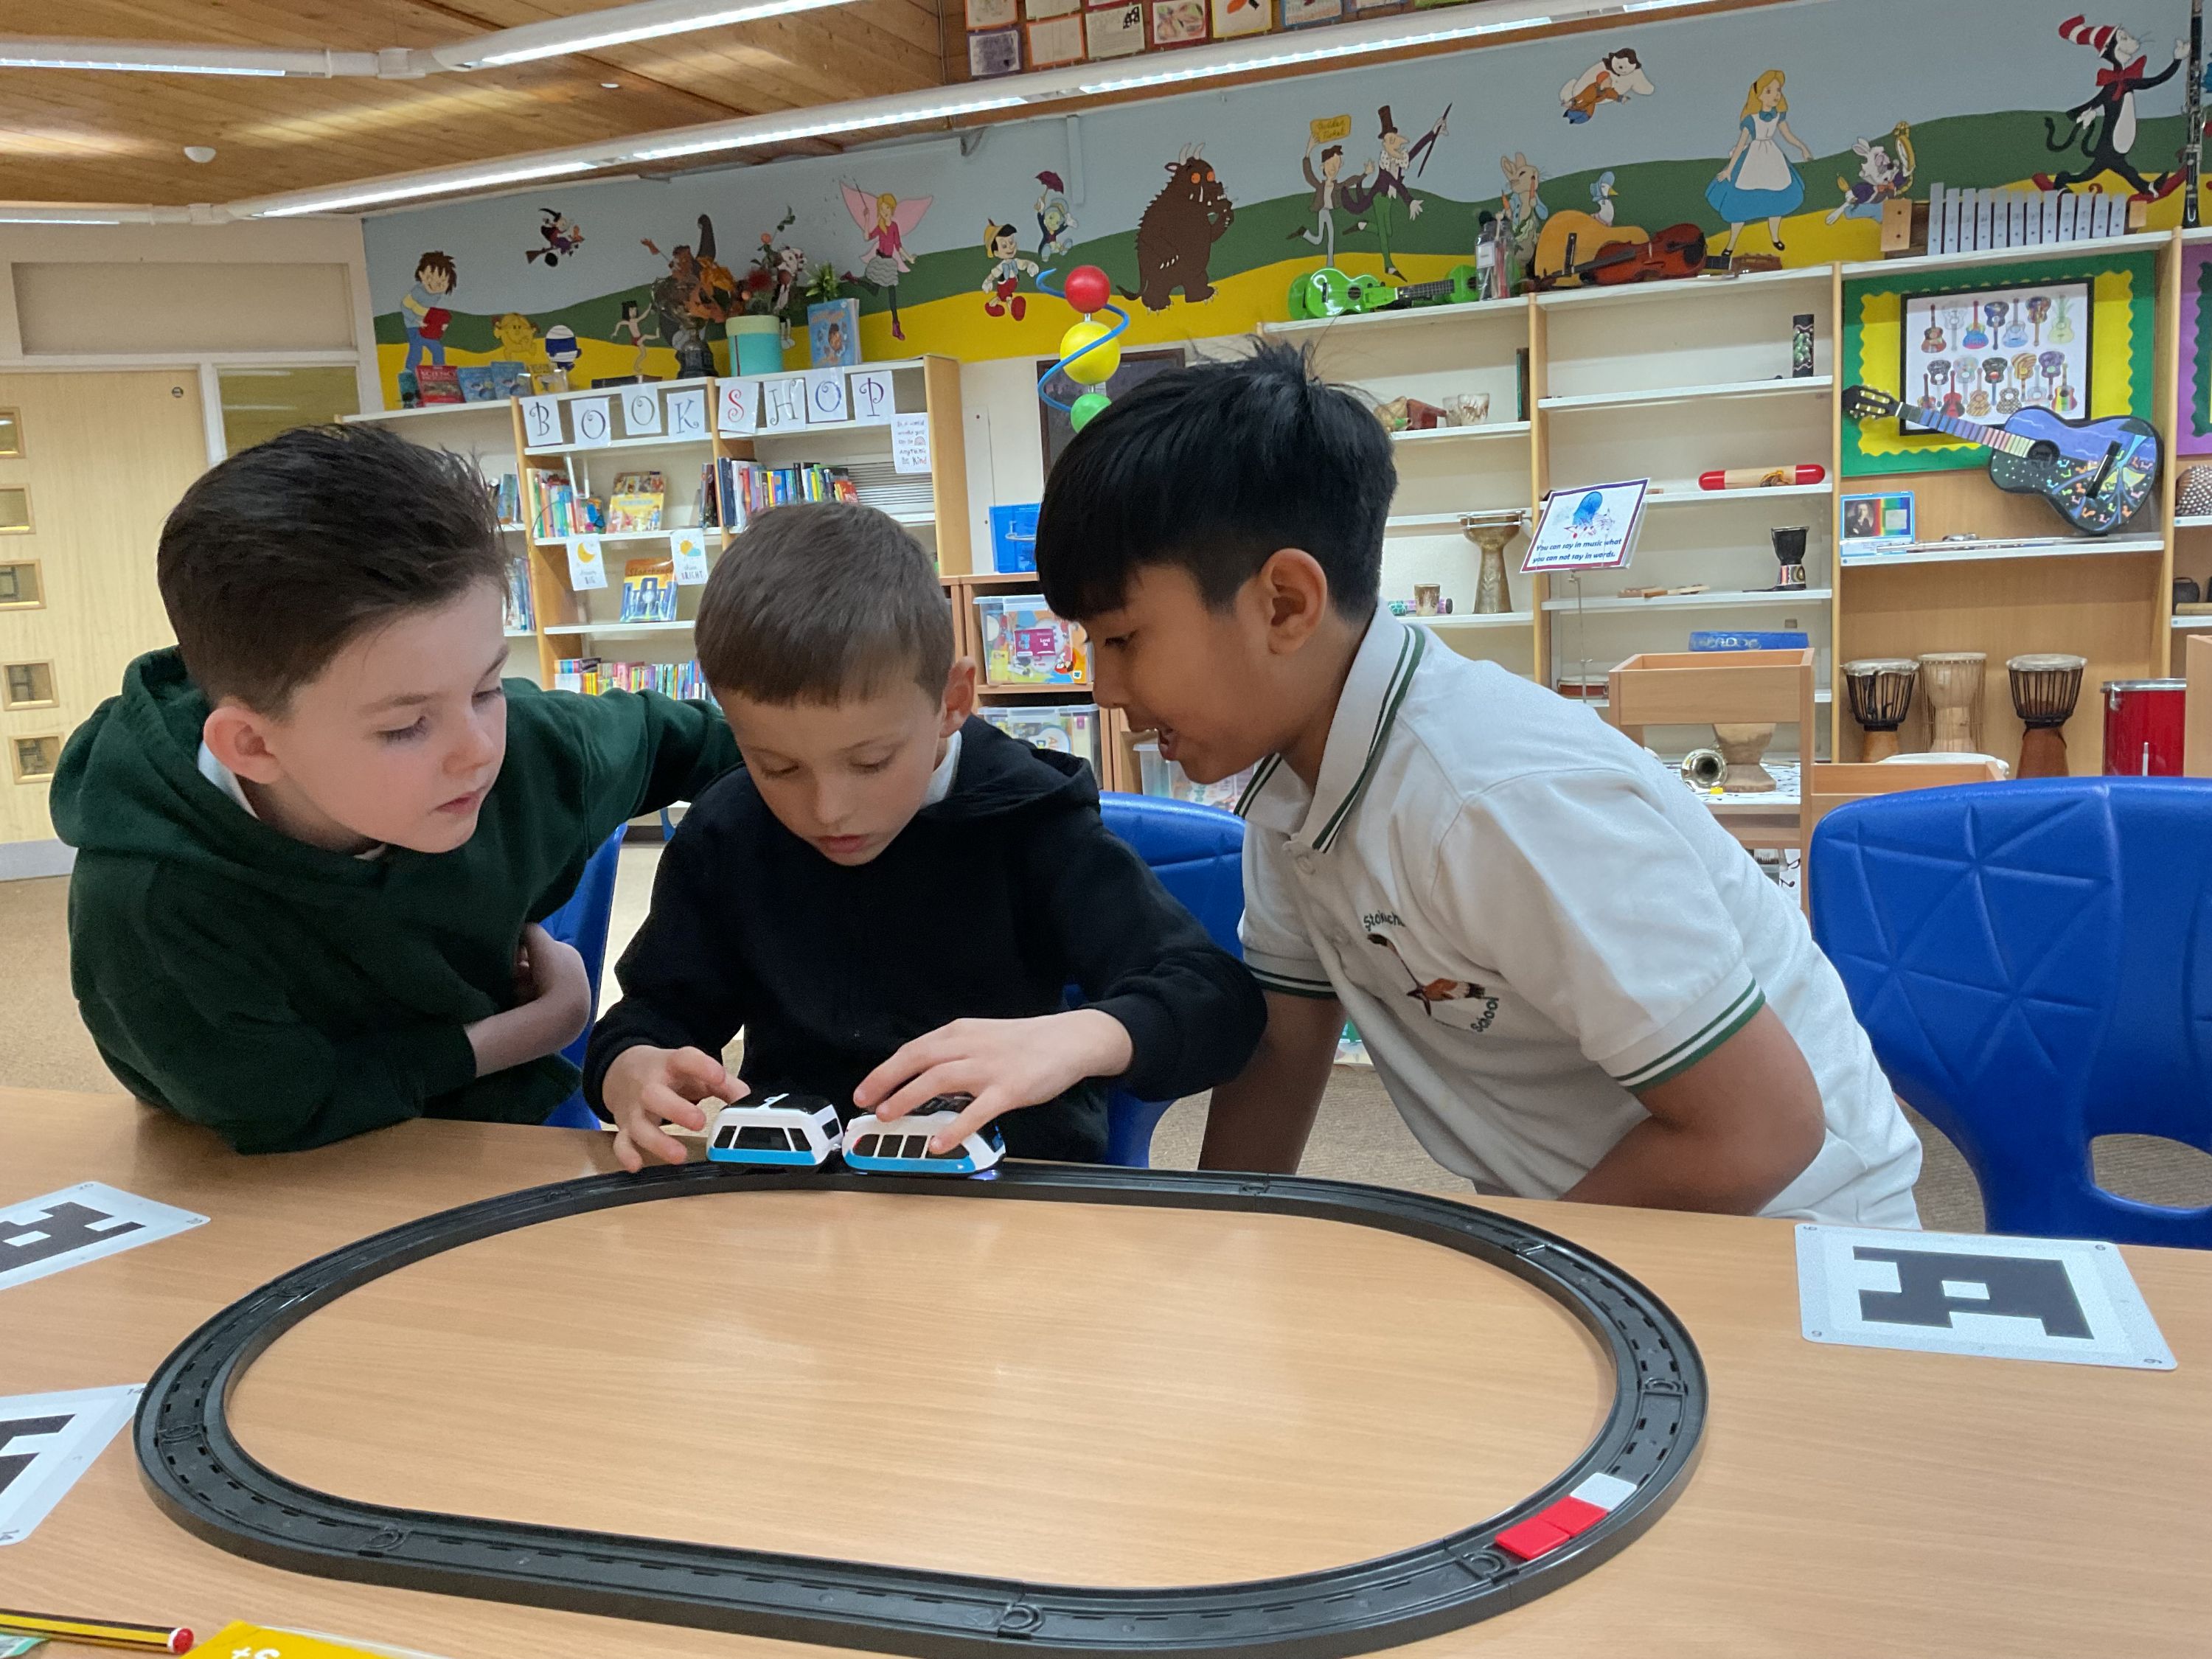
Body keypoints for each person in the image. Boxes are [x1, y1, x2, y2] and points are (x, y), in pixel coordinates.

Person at [1030, 345, 1922, 1226]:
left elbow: (1760, 1136)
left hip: (1786, 1233)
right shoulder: (1294, 785)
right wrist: (1224, 1248)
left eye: (1122, 640)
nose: (1107, 692)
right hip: (1610, 1213)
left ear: (1285, 605)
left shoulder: (1494, 796)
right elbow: (1281, 1051)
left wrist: (1519, 1279)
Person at [52, 425, 741, 1155]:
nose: (478, 752)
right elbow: (275, 1106)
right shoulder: (149, 906)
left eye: (485, 687)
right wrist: (548, 1024)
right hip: (275, 1168)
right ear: (253, 746)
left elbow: (765, 745)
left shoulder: (537, 746)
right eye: (407, 725)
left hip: (500, 1121)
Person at [584, 502, 1265, 1173]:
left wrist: (1084, 1036)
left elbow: (1216, 1002)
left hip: (1013, 1197)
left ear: (953, 702)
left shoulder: (1032, 821)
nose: (828, 809)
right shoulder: (727, 831)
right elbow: (650, 1017)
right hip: (795, 1206)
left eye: (870, 762)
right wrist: (628, 1066)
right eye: (778, 767)